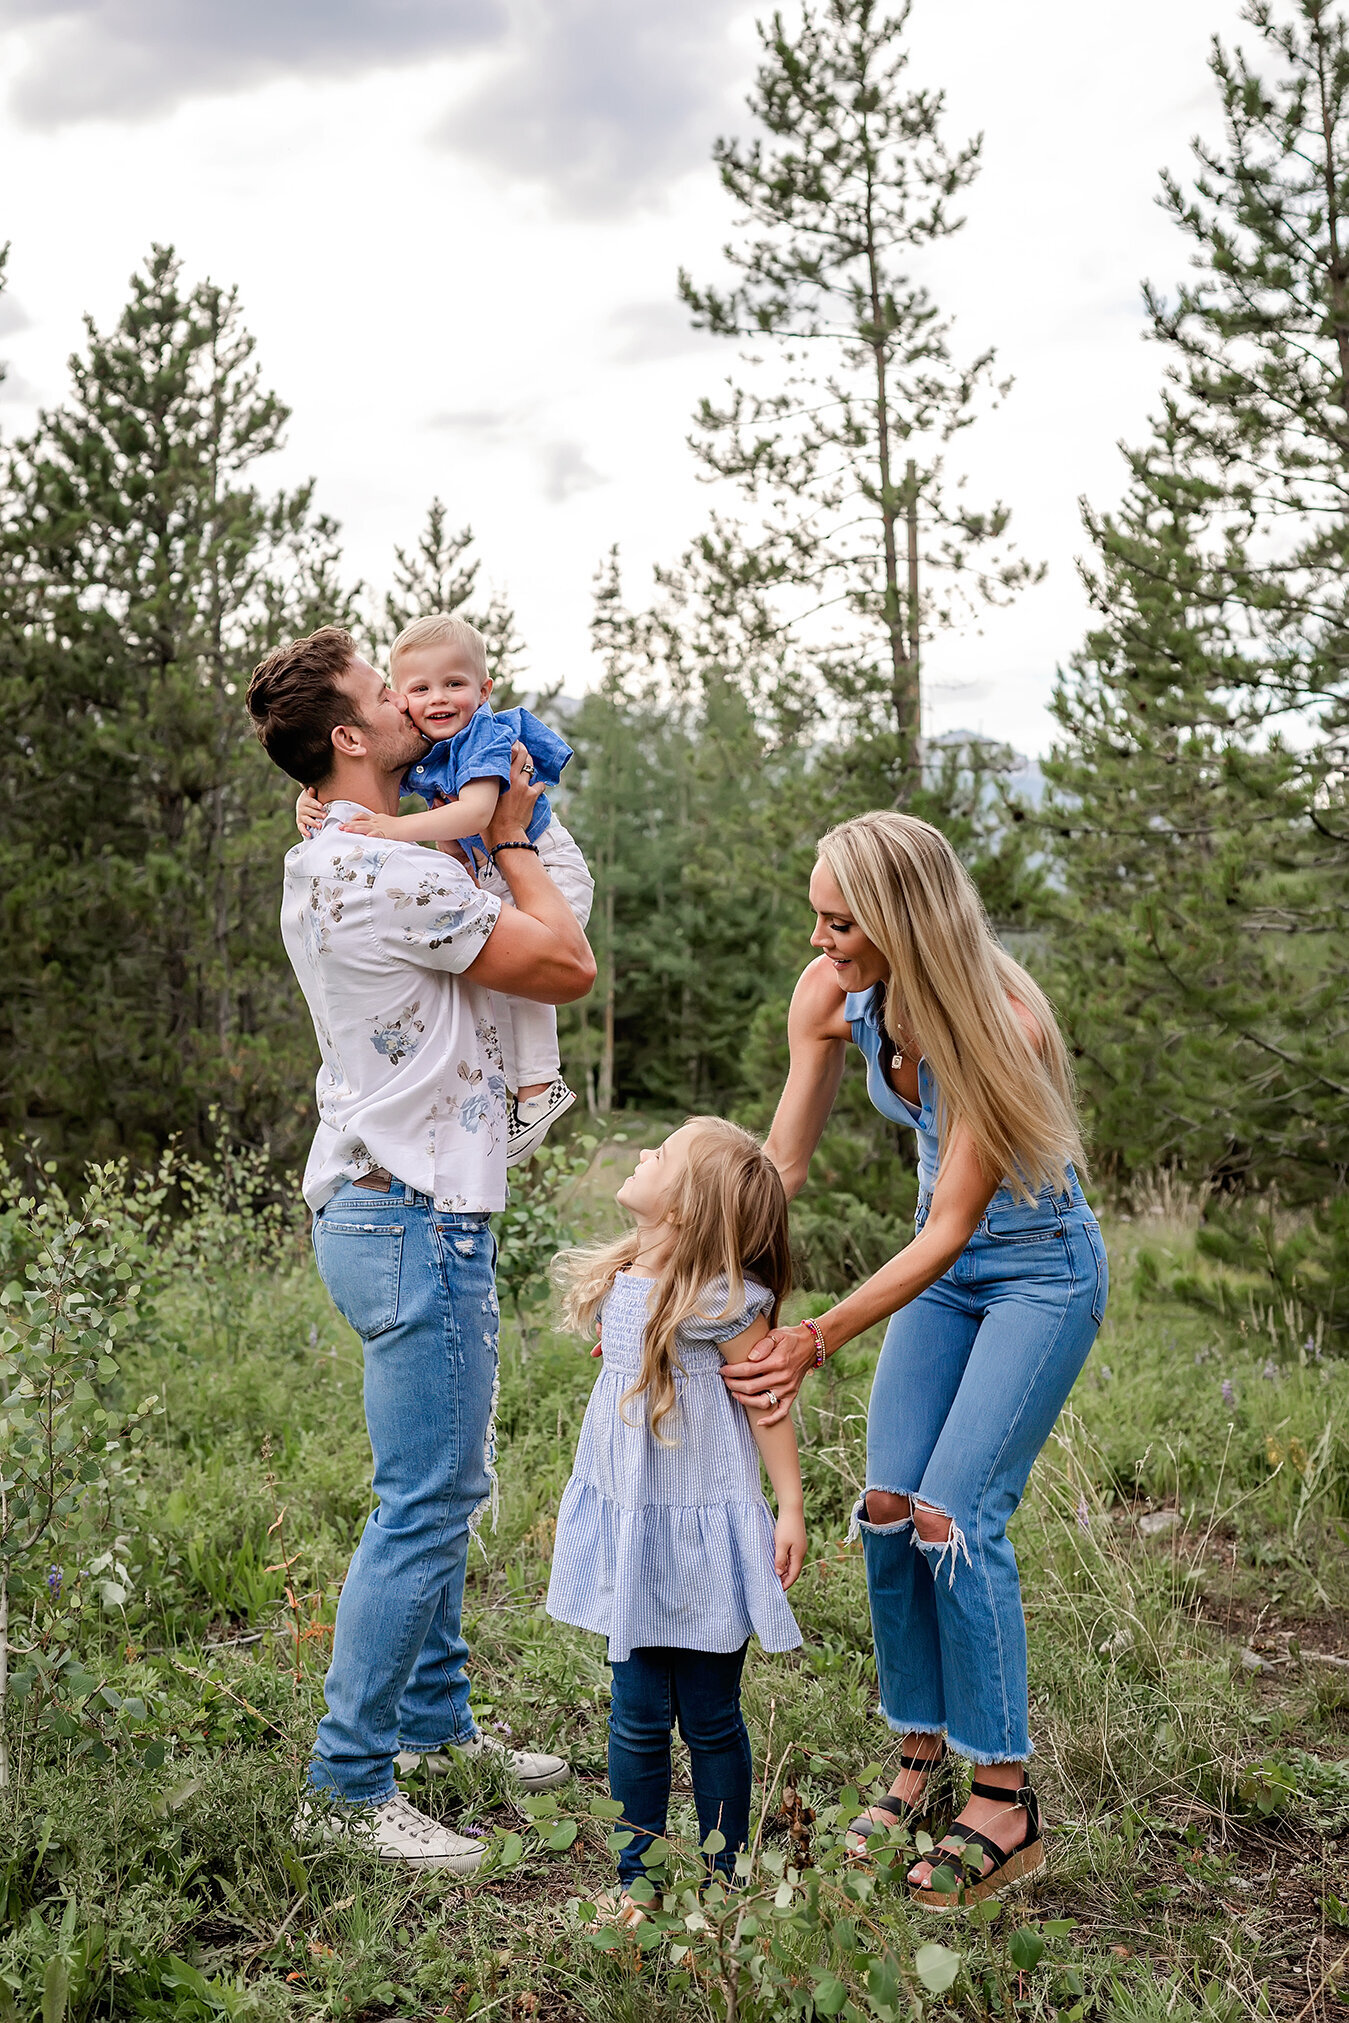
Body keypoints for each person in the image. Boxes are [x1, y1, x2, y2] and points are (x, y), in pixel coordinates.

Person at [245, 625, 596, 1874]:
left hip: (390, 1202)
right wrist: (507, 830)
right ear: (349, 737)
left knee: (440, 1493)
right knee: (426, 1502)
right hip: (410, 1213)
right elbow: (565, 962)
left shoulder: (332, 847)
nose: (409, 703)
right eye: (383, 695)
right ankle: (345, 1787)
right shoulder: (395, 872)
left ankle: (438, 1727)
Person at [720, 812, 1108, 1909]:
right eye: (817, 912)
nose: (818, 936)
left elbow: (944, 1229)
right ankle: (918, 1753)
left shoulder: (1002, 1023)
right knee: (885, 1507)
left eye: (840, 920)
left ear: (900, 919)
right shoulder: (830, 996)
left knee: (954, 1516)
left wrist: (812, 1338)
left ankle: (1004, 1798)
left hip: (1037, 1273)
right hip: (947, 1279)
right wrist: (707, 1255)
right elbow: (779, 1165)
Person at [546, 1118, 805, 1925]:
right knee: (634, 1715)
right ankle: (639, 1879)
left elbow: (766, 1401)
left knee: (711, 1716)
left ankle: (725, 1878)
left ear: (687, 1208)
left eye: (661, 1154)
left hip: (699, 1532)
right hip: (635, 1523)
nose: (642, 1154)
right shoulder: (626, 1273)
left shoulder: (724, 1300)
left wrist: (789, 1503)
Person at [297, 613, 594, 1164]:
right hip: (495, 867)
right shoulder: (429, 752)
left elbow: (479, 811)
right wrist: (309, 793)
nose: (433, 699)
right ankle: (522, 1087)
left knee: (527, 972)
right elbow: (354, 770)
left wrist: (395, 829)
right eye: (411, 690)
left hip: (546, 866)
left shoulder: (483, 736)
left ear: (483, 690)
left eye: (454, 684)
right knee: (499, 977)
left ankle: (537, 1084)